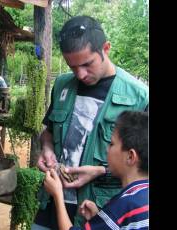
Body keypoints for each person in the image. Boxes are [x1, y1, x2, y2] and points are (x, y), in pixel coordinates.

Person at [33, 15, 149, 229]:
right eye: (72, 66)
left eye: (87, 64)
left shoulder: (140, 97)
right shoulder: (62, 85)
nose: (80, 74)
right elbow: (48, 132)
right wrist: (47, 149)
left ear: (105, 48)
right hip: (51, 202)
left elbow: (145, 166)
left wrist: (101, 170)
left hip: (99, 210)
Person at [44, 110, 148, 230]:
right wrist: (98, 217)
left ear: (130, 156)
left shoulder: (123, 205)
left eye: (112, 144)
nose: (106, 149)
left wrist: (57, 195)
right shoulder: (141, 199)